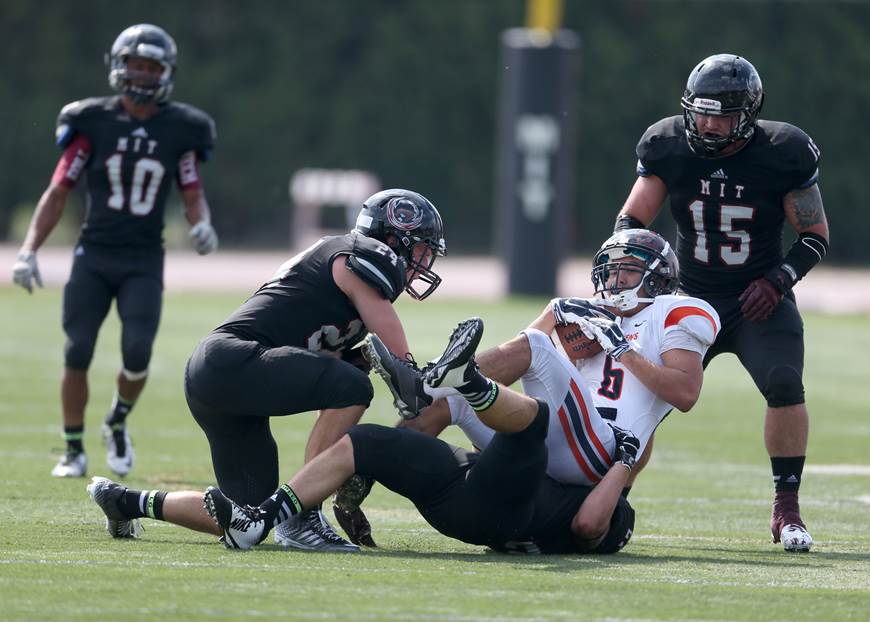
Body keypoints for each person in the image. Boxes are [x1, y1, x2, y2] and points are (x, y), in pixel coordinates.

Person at [86, 317, 639, 555]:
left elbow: (593, 521)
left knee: (534, 420)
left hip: (481, 501)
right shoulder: (582, 502)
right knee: (364, 442)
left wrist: (623, 466)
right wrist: (624, 463)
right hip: (474, 508)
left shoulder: (601, 517)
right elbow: (587, 516)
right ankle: (172, 508)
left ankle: (462, 381)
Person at [613, 53, 829, 552]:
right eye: (701, 112)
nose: (708, 124)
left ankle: (787, 509)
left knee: (784, 382)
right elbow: (631, 223)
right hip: (688, 298)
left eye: (721, 115)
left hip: (760, 298)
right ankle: (612, 496)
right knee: (639, 400)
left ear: (749, 115)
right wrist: (641, 278)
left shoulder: (784, 152)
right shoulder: (668, 144)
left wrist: (779, 280)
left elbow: (815, 236)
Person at [372, 229, 718, 505]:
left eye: (627, 269)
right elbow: (522, 355)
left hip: (601, 450)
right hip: (557, 438)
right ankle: (371, 466)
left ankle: (423, 385)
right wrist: (552, 315)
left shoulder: (672, 312)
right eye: (610, 270)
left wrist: (621, 348)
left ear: (658, 278)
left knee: (533, 347)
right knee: (451, 403)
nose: (615, 279)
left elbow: (685, 394)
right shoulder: (593, 314)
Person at [11, 24, 219, 480]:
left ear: (165, 73)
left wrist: (200, 222)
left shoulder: (182, 128)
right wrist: (29, 249)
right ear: (120, 67)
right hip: (94, 255)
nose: (143, 76)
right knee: (78, 349)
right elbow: (58, 189)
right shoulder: (91, 122)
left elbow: (190, 188)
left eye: (152, 68)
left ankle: (116, 422)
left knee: (138, 353)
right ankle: (72, 448)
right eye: (136, 66)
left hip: (143, 258)